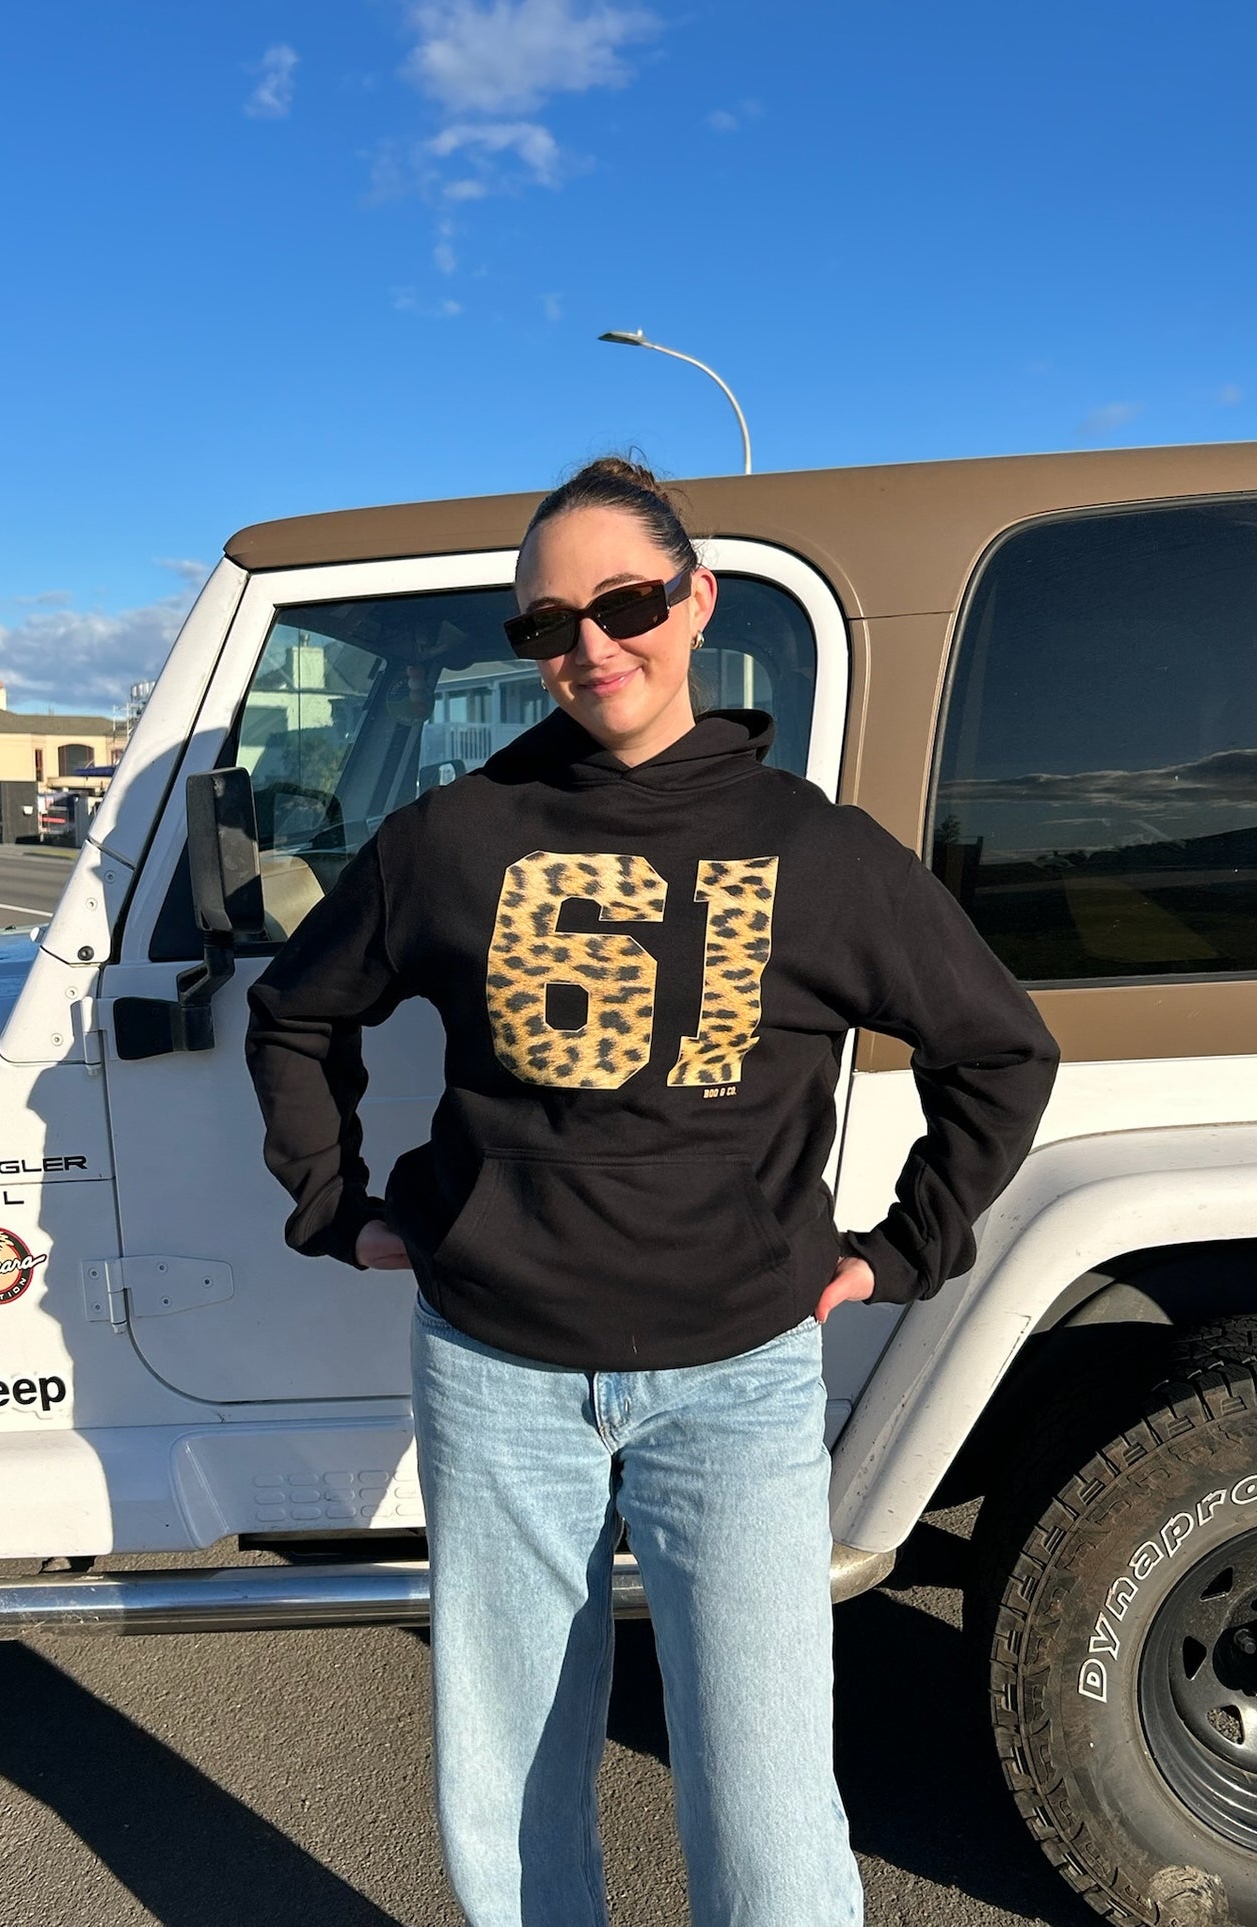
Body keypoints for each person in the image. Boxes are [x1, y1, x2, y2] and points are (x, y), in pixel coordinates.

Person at [245, 457, 1060, 1927]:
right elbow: (301, 1015)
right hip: (497, 1373)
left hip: (736, 1378)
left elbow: (997, 1049)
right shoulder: (450, 841)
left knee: (761, 1792)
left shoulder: (813, 850)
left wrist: (903, 1249)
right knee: (507, 1774)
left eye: (623, 602)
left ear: (695, 606)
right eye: (546, 623)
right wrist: (332, 1204)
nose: (588, 646)